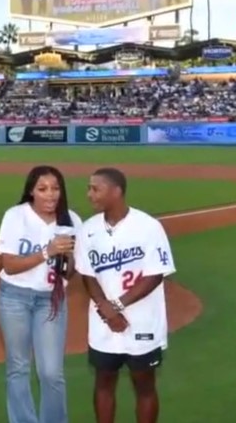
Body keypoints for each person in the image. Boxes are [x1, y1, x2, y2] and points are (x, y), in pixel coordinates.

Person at [75, 168, 176, 423]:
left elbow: (155, 274)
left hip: (142, 321)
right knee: (103, 382)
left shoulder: (149, 226)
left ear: (116, 191)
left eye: (95, 188)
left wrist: (117, 305)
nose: (89, 194)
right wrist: (106, 309)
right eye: (89, 188)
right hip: (103, 322)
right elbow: (88, 275)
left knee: (144, 386)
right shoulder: (88, 230)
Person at [0, 165, 83, 423]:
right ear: (31, 191)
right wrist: (48, 252)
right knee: (18, 367)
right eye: (42, 189)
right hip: (14, 297)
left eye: (55, 188)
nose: (50, 194)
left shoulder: (71, 221)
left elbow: (70, 275)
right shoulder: (15, 216)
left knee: (51, 372)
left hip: (50, 300)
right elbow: (9, 266)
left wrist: (66, 257)